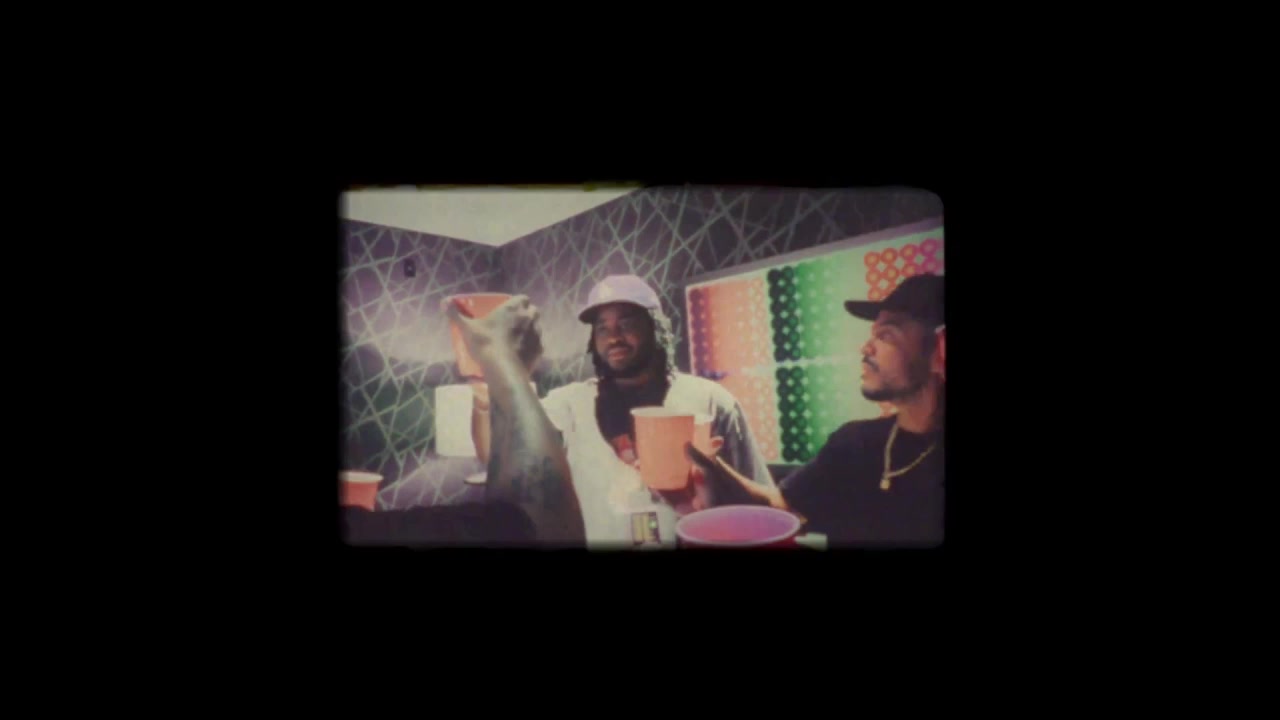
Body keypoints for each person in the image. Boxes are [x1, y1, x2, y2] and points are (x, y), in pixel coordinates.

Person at [470, 275, 777, 548]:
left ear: (655, 327)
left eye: (626, 324)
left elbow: (763, 509)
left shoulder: (710, 400)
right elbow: (494, 451)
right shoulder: (570, 404)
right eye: (602, 328)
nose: (613, 337)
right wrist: (484, 397)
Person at [687, 273, 945, 548]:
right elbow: (781, 509)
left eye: (886, 335)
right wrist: (710, 463)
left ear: (939, 350)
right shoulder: (853, 444)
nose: (866, 348)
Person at [342, 295, 586, 548]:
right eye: (601, 327)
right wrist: (504, 366)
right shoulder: (574, 398)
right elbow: (539, 528)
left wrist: (501, 368)